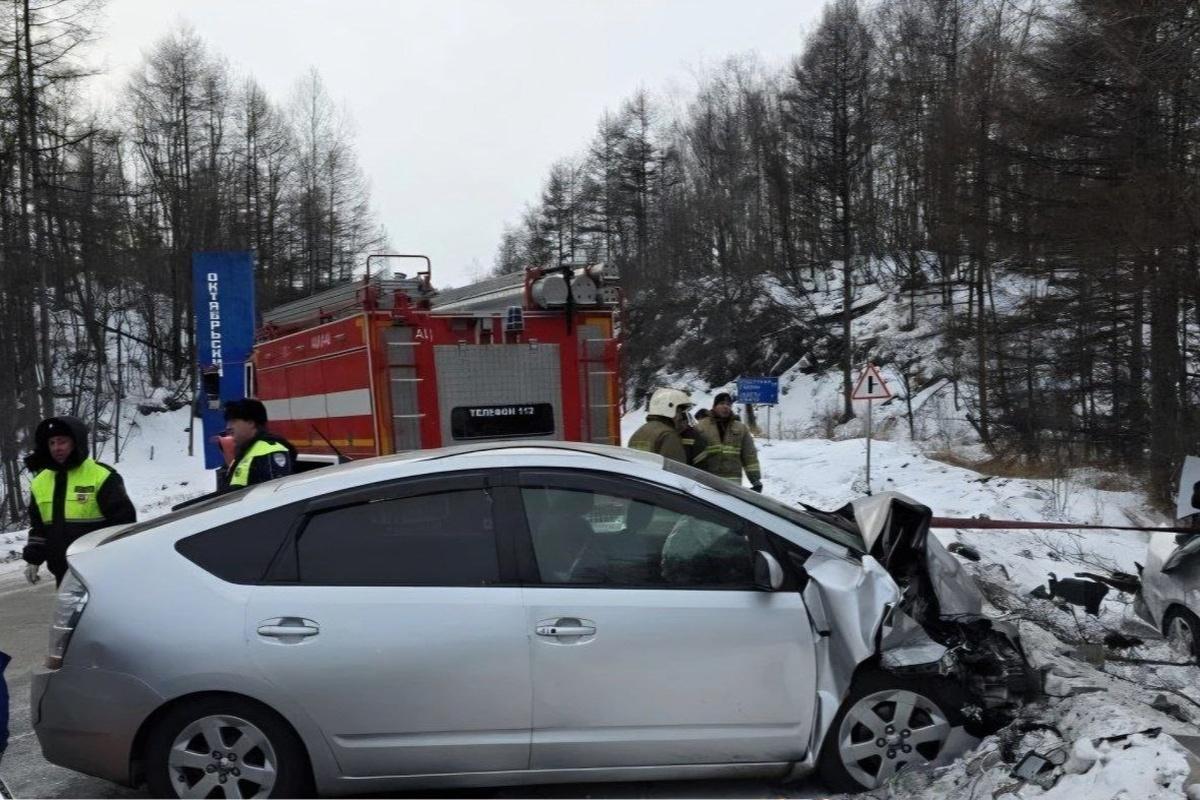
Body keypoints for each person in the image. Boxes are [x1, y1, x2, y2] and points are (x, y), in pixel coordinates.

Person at [22, 416, 137, 587]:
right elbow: (39, 528)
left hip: (101, 571)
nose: (56, 448)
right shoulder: (40, 482)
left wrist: (118, 561)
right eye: (52, 443)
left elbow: (124, 524)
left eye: (62, 442)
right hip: (64, 574)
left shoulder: (102, 476)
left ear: (76, 442)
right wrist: (33, 560)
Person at [220, 399, 297, 491]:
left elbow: (275, 497)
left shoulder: (270, 451)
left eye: (233, 421)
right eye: (228, 422)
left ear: (251, 423)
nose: (228, 427)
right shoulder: (246, 451)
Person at [697, 392, 763, 491]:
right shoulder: (701, 427)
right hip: (708, 484)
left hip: (732, 486)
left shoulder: (741, 428)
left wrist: (755, 480)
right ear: (714, 406)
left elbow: (749, 456)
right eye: (722, 403)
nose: (725, 407)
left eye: (728, 404)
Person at [627, 388, 697, 466]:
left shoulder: (637, 433)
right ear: (669, 409)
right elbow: (676, 472)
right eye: (679, 412)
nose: (681, 417)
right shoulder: (668, 435)